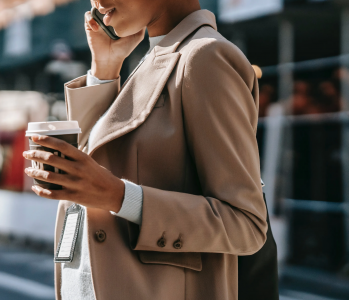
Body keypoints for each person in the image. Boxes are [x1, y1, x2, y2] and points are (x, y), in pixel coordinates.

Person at [23, 0, 278, 299]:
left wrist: (118, 196)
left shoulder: (205, 56)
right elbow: (102, 159)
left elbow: (246, 223)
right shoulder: (155, 56)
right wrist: (105, 67)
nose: (98, 2)